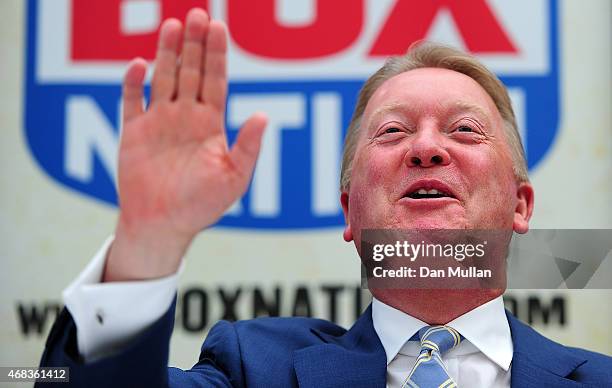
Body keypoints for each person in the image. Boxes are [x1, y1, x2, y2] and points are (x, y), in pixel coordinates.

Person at [38, 8, 611, 387]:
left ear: (520, 205)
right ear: (349, 212)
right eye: (392, 132)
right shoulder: (253, 368)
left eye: (464, 129)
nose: (427, 149)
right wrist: (150, 241)